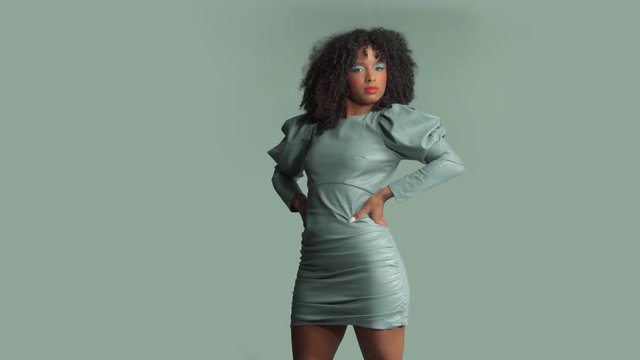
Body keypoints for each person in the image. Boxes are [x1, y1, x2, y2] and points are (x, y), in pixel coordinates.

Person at [267, 27, 465, 360]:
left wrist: (387, 193)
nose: (371, 76)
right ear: (337, 75)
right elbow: (282, 175)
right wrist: (297, 201)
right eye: (358, 67)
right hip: (316, 267)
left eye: (380, 66)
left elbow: (450, 162)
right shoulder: (309, 129)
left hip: (369, 267)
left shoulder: (389, 122)